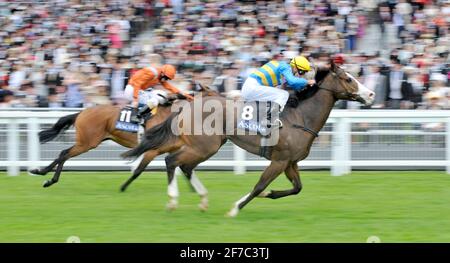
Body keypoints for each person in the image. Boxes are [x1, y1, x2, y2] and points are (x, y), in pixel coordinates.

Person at [241, 56, 315, 128]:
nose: (301, 75)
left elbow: (295, 86)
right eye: (301, 72)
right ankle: (268, 119)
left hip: (252, 88)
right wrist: (307, 81)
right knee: (283, 94)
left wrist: (306, 86)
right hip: (252, 87)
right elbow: (293, 81)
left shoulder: (284, 71)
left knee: (281, 95)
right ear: (295, 67)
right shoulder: (285, 67)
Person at [124, 64, 193, 123]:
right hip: (132, 90)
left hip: (138, 90)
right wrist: (135, 99)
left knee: (162, 94)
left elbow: (170, 87)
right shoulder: (152, 73)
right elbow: (137, 83)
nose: (166, 80)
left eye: (168, 79)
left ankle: (147, 112)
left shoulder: (159, 75)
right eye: (166, 78)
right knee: (155, 101)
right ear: (162, 73)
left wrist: (187, 96)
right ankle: (137, 116)